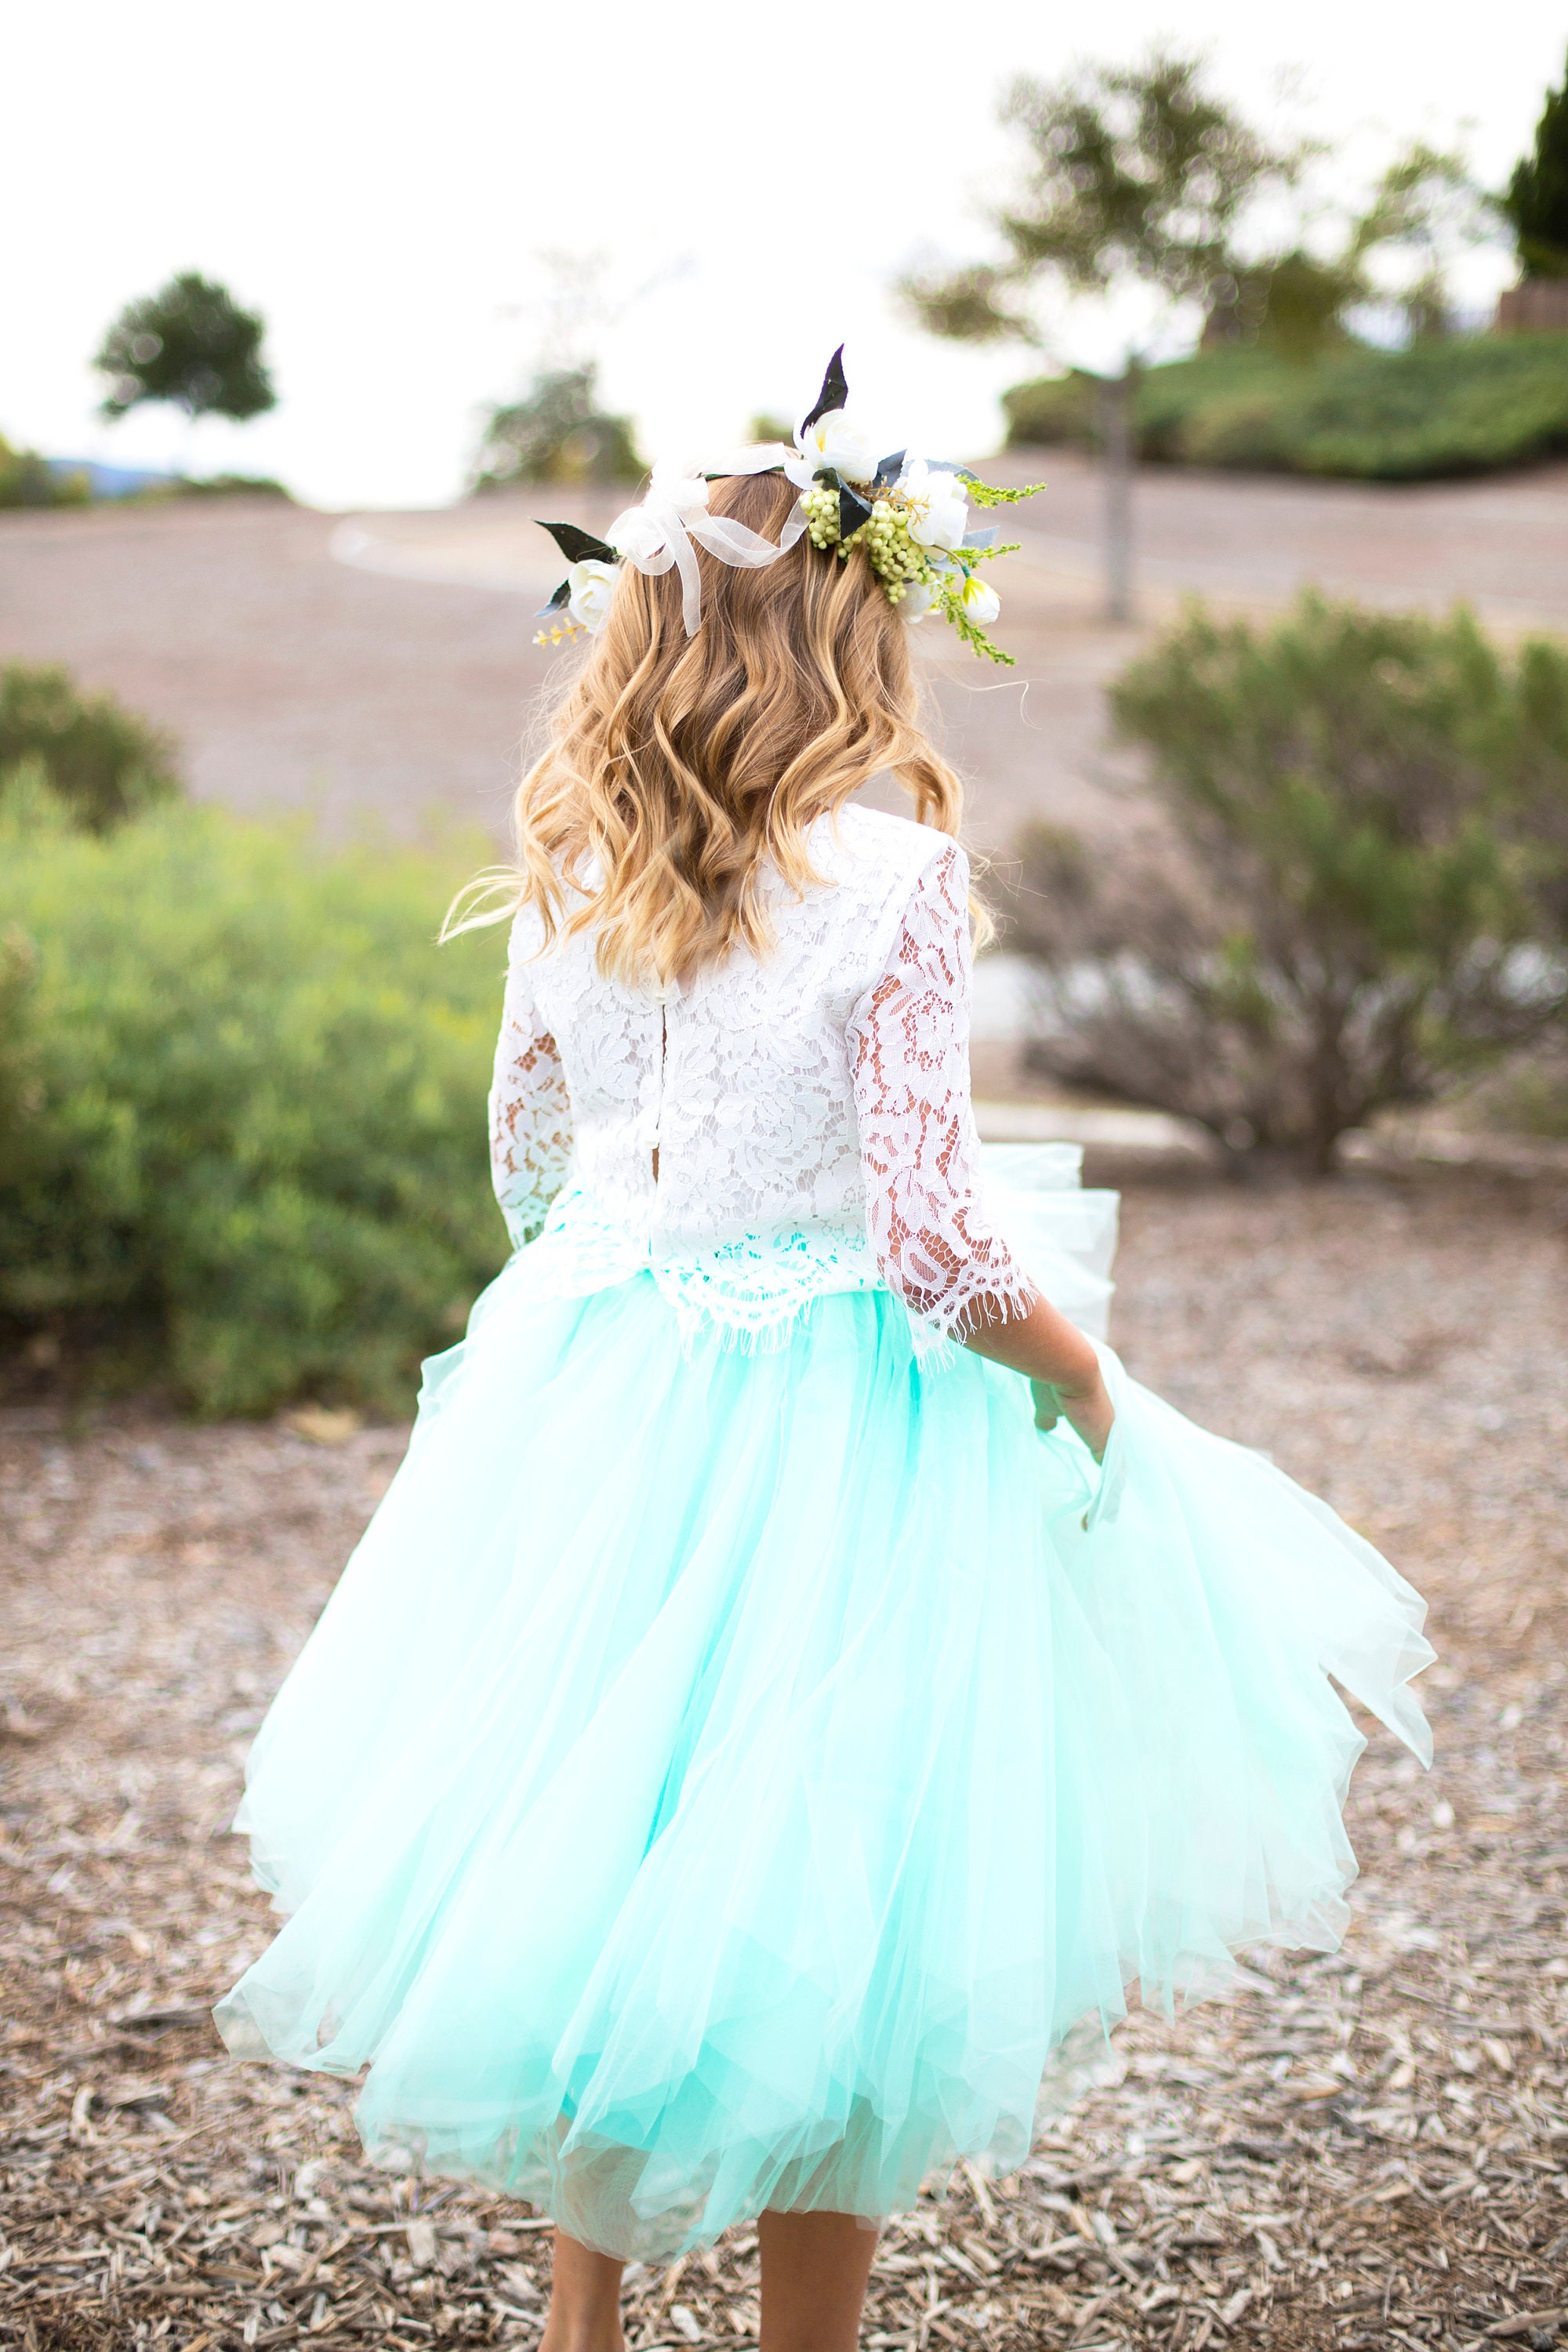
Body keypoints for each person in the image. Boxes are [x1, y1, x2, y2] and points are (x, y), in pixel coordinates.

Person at [216, 358, 1432, 2352]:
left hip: (598, 1383)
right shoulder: (892, 880)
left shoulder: (575, 866)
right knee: (835, 1893)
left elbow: (528, 1163)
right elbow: (940, 1247)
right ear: (860, 629)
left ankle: (580, 2330)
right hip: (835, 1429)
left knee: (599, 1828)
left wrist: (615, 1303)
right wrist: (1087, 1381)